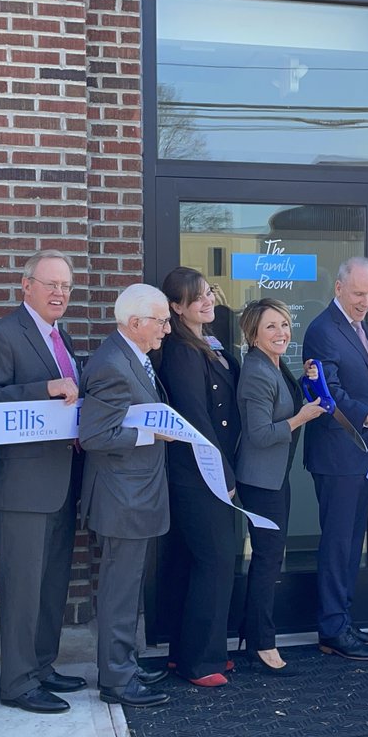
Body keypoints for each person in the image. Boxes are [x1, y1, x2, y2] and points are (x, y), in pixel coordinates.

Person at [0, 249, 87, 714]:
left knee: (52, 581)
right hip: (20, 485)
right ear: (26, 286)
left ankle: (41, 666)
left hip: (61, 479)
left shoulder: (63, 336)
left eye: (66, 287)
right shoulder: (3, 334)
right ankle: (17, 683)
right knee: (21, 585)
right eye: (51, 284)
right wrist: (44, 389)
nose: (60, 293)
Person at [78, 283, 173, 708]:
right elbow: (96, 435)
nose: (167, 329)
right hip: (122, 498)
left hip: (134, 494)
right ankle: (116, 679)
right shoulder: (112, 364)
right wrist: (149, 434)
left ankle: (126, 665)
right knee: (120, 589)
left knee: (128, 586)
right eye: (162, 321)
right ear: (135, 323)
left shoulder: (131, 357)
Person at [303, 257, 368, 661]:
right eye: (359, 293)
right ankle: (331, 628)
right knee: (338, 543)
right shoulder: (323, 330)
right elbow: (329, 393)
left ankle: (342, 621)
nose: (365, 301)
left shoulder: (357, 328)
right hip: (337, 455)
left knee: (349, 543)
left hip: (358, 455)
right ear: (339, 288)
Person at [157, 267, 241, 687]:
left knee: (200, 562)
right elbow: (195, 416)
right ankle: (200, 662)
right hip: (198, 473)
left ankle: (191, 652)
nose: (207, 302)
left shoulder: (208, 341)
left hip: (209, 468)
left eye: (208, 293)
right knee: (217, 558)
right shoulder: (180, 350)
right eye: (196, 299)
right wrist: (222, 474)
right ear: (175, 307)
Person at [234, 299, 326, 674]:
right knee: (268, 560)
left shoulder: (273, 365)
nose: (281, 333)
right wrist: (301, 418)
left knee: (270, 557)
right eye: (271, 326)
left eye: (285, 325)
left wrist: (303, 379)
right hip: (261, 481)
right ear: (253, 332)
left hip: (273, 478)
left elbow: (282, 402)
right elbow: (258, 434)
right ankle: (262, 643)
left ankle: (252, 634)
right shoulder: (256, 371)